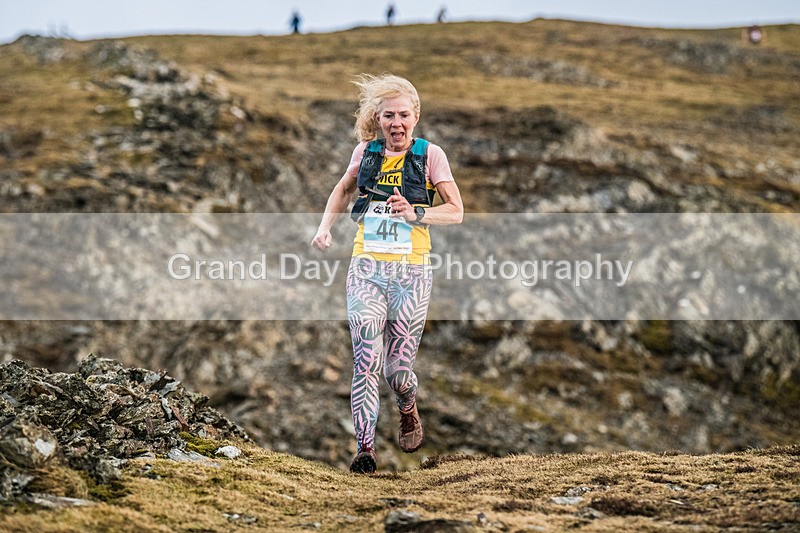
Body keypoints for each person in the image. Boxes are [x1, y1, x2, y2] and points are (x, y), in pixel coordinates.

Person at [311, 74, 463, 473]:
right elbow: (343, 190)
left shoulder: (431, 155)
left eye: (404, 115)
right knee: (365, 356)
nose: (397, 123)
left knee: (397, 370)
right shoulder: (365, 152)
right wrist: (324, 228)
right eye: (389, 115)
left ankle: (407, 406)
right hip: (367, 267)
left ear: (416, 117)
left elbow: (456, 210)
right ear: (377, 119)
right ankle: (365, 450)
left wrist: (417, 213)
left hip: (411, 272)